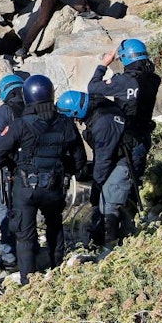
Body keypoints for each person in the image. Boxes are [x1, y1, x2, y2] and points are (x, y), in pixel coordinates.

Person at [0, 75, 87, 285]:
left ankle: (28, 281)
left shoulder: (22, 125)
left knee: (25, 235)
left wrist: (10, 163)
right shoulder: (66, 123)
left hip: (26, 188)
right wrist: (63, 171)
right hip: (54, 186)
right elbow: (79, 159)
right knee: (55, 224)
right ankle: (56, 267)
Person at [57, 91, 133, 248]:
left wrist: (96, 189)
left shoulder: (103, 123)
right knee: (101, 193)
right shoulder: (96, 106)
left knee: (109, 201)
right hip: (114, 154)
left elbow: (103, 160)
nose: (74, 121)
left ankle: (109, 245)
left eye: (73, 117)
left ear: (77, 112)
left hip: (124, 159)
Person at [87, 39, 162, 180]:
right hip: (143, 137)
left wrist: (104, 64)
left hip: (124, 140)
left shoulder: (123, 82)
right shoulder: (154, 79)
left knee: (117, 183)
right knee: (135, 180)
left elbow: (92, 88)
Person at [0, 75, 25, 270]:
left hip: (8, 169)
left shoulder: (3, 112)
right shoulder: (33, 106)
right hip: (30, 168)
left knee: (5, 210)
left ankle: (9, 256)